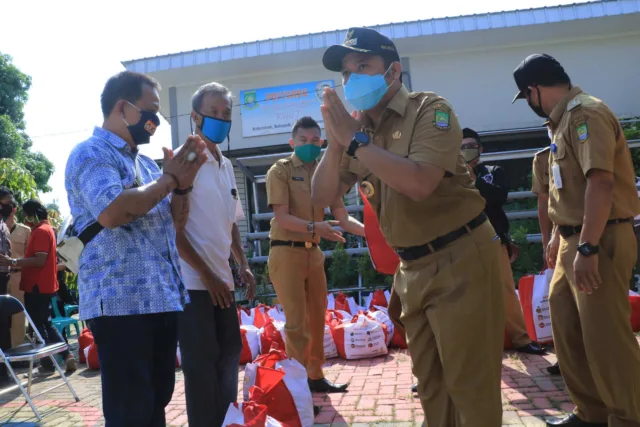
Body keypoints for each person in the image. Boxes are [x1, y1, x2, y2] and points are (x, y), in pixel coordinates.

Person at [312, 27, 505, 427]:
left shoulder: (428, 110)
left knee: (469, 384)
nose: (352, 80)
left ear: (394, 71)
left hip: (460, 258)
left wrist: (355, 142)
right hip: (411, 268)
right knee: (431, 385)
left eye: (363, 65)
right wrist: (336, 141)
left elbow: (419, 183)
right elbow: (321, 195)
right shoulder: (358, 130)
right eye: (346, 73)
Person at [65, 70, 207, 427]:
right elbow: (113, 211)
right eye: (150, 111)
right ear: (123, 107)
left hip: (160, 296)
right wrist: (170, 179)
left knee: (157, 397)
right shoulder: (90, 153)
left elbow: (173, 223)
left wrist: (183, 187)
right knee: (131, 407)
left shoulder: (144, 163)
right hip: (119, 303)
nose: (155, 121)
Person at [512, 53, 640, 427]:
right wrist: (557, 238)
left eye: (527, 97)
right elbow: (564, 189)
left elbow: (601, 182)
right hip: (573, 239)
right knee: (567, 331)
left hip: (598, 238)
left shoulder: (586, 114)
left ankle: (628, 417)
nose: (530, 105)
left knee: (606, 338)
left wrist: (586, 245)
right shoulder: (562, 122)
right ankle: (591, 413)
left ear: (533, 89)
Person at [173, 82, 256, 427]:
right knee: (201, 364)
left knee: (229, 354)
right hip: (192, 283)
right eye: (214, 113)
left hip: (221, 281)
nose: (222, 119)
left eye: (227, 113)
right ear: (195, 117)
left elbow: (231, 222)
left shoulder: (223, 163)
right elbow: (173, 234)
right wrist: (207, 275)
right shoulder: (183, 163)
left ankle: (227, 419)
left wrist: (243, 266)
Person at [267, 115, 365, 394]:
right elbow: (282, 218)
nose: (309, 145)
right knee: (297, 322)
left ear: (322, 142)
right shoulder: (281, 170)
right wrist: (315, 227)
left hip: (313, 253)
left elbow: (344, 219)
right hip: (286, 252)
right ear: (292, 142)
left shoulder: (326, 174)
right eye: (303, 141)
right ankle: (297, 384)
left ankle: (314, 376)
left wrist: (373, 232)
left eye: (314, 141)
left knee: (317, 317)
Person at [461, 128, 546, 356]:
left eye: (471, 146)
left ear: (480, 149)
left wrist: (474, 179)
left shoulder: (493, 171)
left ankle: (521, 338)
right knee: (466, 294)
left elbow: (498, 198)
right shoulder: (450, 178)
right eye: (462, 147)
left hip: (493, 240)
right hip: (461, 244)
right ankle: (475, 345)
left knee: (506, 290)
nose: (468, 151)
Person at [0, 200, 77, 374]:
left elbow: (40, 260)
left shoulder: (42, 231)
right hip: (42, 286)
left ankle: (49, 364)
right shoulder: (45, 229)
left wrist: (13, 261)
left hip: (37, 286)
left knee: (38, 326)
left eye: (27, 215)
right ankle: (64, 357)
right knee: (45, 324)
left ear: (33, 214)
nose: (26, 219)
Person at [531, 138, 560, 375]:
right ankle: (565, 358)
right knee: (559, 302)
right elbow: (543, 202)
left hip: (589, 234)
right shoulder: (542, 158)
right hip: (557, 240)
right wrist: (545, 240)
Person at [1, 188, 30, 351]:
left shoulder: (26, 231)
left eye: (11, 205)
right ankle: (4, 353)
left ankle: (18, 352)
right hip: (2, 276)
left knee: (18, 316)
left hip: (18, 277)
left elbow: (31, 258)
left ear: (15, 208)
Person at [0, 188, 12, 385]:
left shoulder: (3, 225)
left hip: (3, 275)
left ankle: (3, 368)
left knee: (3, 323)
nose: (11, 206)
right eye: (8, 202)